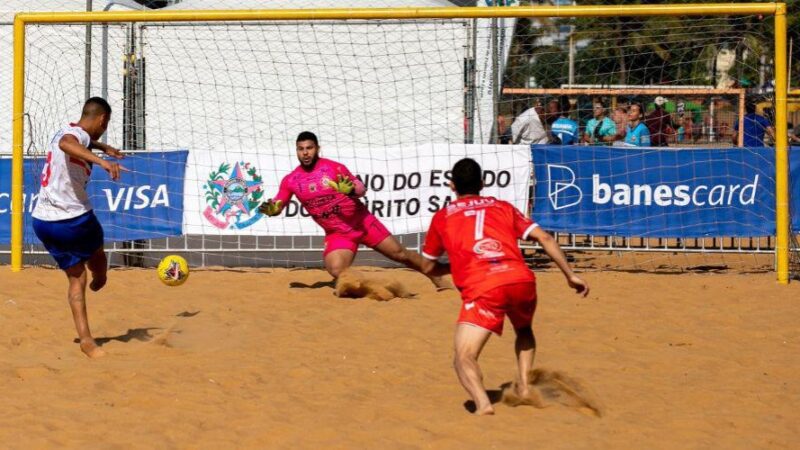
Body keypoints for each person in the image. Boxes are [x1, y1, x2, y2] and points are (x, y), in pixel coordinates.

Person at [419, 158, 589, 415]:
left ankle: (483, 403)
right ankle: (523, 386)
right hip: (521, 280)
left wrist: (456, 265)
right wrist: (570, 275)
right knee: (523, 329)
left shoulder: (442, 217)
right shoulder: (503, 206)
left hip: (485, 286)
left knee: (464, 356)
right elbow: (544, 237)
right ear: (483, 183)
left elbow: (429, 266)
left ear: (451, 186)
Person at [259, 131, 448, 288]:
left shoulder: (334, 168)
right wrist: (272, 210)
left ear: (317, 148)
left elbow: (361, 189)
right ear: (296, 152)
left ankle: (435, 275)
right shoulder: (291, 180)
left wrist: (350, 189)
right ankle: (371, 287)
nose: (305, 153)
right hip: (338, 233)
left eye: (309, 148)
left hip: (362, 222)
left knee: (400, 254)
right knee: (335, 270)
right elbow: (278, 204)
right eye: (301, 149)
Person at [31, 97, 126, 358]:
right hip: (73, 219)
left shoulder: (66, 129)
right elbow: (68, 145)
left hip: (42, 221)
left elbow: (76, 140)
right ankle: (102, 277)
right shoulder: (71, 138)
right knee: (97, 254)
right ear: (102, 120)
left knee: (76, 278)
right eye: (104, 128)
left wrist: (103, 146)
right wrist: (103, 162)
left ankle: (86, 341)